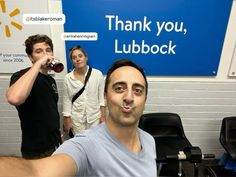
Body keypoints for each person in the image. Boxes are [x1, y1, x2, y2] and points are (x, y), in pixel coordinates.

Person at [0, 59, 157, 177]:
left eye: (137, 90)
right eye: (119, 88)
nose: (129, 97)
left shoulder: (149, 141)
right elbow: (36, 172)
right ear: (106, 97)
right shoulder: (86, 146)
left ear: (145, 99)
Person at [5, 34, 62, 159]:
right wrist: (38, 64)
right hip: (36, 150)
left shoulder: (51, 80)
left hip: (55, 145)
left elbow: (50, 111)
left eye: (48, 50)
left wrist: (59, 137)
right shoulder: (21, 76)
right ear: (31, 57)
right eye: (39, 51)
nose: (45, 54)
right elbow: (14, 98)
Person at [63, 45, 106, 137]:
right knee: (80, 144)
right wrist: (67, 119)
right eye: (74, 58)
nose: (77, 59)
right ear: (72, 61)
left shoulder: (97, 74)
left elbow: (101, 98)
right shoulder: (68, 78)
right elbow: (67, 100)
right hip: (77, 120)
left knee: (94, 143)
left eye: (80, 56)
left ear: (86, 57)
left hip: (95, 118)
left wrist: (103, 117)